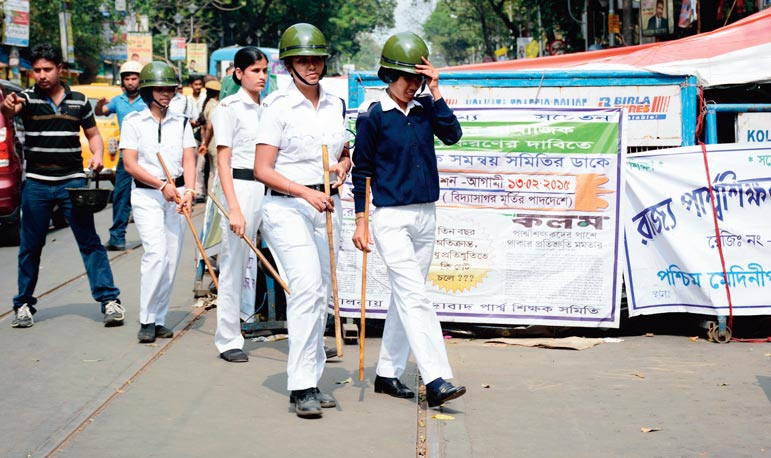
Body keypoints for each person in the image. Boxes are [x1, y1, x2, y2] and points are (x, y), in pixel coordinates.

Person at [351, 32, 466, 409]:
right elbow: (361, 170)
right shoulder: (373, 116)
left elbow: (453, 135)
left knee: (405, 297)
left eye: (417, 78)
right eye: (406, 79)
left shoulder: (424, 109)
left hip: (425, 214)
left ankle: (387, 373)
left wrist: (436, 90)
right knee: (416, 296)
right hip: (390, 218)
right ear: (388, 76)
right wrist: (361, 220)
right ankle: (436, 378)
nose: (411, 85)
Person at [254, 23, 351, 418]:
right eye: (303, 60)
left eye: (317, 60)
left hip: (327, 206)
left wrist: (343, 166)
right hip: (286, 206)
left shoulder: (336, 103)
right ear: (289, 64)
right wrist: (304, 191)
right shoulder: (276, 106)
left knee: (322, 293)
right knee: (306, 288)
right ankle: (302, 385)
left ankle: (312, 374)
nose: (312, 67)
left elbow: (345, 152)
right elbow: (262, 169)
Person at [2, 43, 124, 329]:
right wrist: (7, 106)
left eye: (47, 69)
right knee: (30, 246)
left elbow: (93, 135)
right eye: (36, 70)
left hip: (72, 184)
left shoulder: (79, 101)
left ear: (60, 69)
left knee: (90, 242)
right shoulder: (26, 98)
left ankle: (109, 301)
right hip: (37, 186)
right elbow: (10, 109)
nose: (41, 75)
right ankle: (22, 304)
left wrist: (96, 155)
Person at [120, 61, 196, 343]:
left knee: (172, 258)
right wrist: (161, 184)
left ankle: (160, 318)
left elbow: (189, 157)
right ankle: (147, 318)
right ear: (147, 91)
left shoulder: (182, 121)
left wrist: (188, 191)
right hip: (146, 194)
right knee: (156, 254)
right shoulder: (134, 122)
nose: (166, 94)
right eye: (159, 89)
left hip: (176, 195)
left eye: (169, 89)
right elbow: (130, 163)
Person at [211, 47, 269, 363]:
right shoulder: (228, 108)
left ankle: (309, 337)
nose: (261, 76)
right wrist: (233, 207)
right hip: (241, 187)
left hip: (271, 188)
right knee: (234, 263)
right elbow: (223, 160)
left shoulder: (271, 107)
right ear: (239, 73)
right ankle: (229, 339)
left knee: (289, 260)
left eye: (265, 71)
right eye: (255, 71)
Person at [95, 60, 147, 251]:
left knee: (152, 195)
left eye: (134, 78)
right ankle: (117, 237)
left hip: (147, 158)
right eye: (127, 78)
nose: (131, 82)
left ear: (140, 80)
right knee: (120, 197)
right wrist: (99, 106)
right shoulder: (118, 101)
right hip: (126, 158)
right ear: (122, 81)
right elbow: (101, 112)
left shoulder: (148, 100)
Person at [194, 80, 221, 202]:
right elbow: (210, 126)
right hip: (214, 142)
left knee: (211, 172)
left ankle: (211, 197)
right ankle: (215, 199)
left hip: (208, 143)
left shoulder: (206, 104)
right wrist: (206, 142)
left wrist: (204, 142)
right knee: (217, 171)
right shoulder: (215, 105)